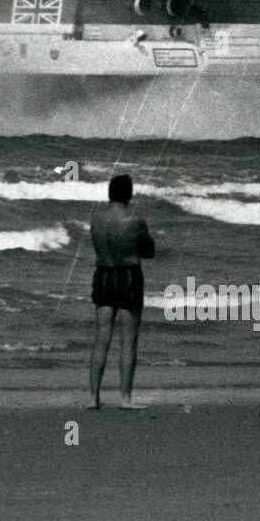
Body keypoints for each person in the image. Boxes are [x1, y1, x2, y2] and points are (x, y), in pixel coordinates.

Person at [87, 173, 156, 409]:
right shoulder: (135, 220)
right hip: (128, 276)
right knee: (128, 341)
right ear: (129, 193)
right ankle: (125, 398)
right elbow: (148, 252)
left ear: (109, 192)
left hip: (103, 275)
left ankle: (93, 397)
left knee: (101, 339)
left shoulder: (96, 219)